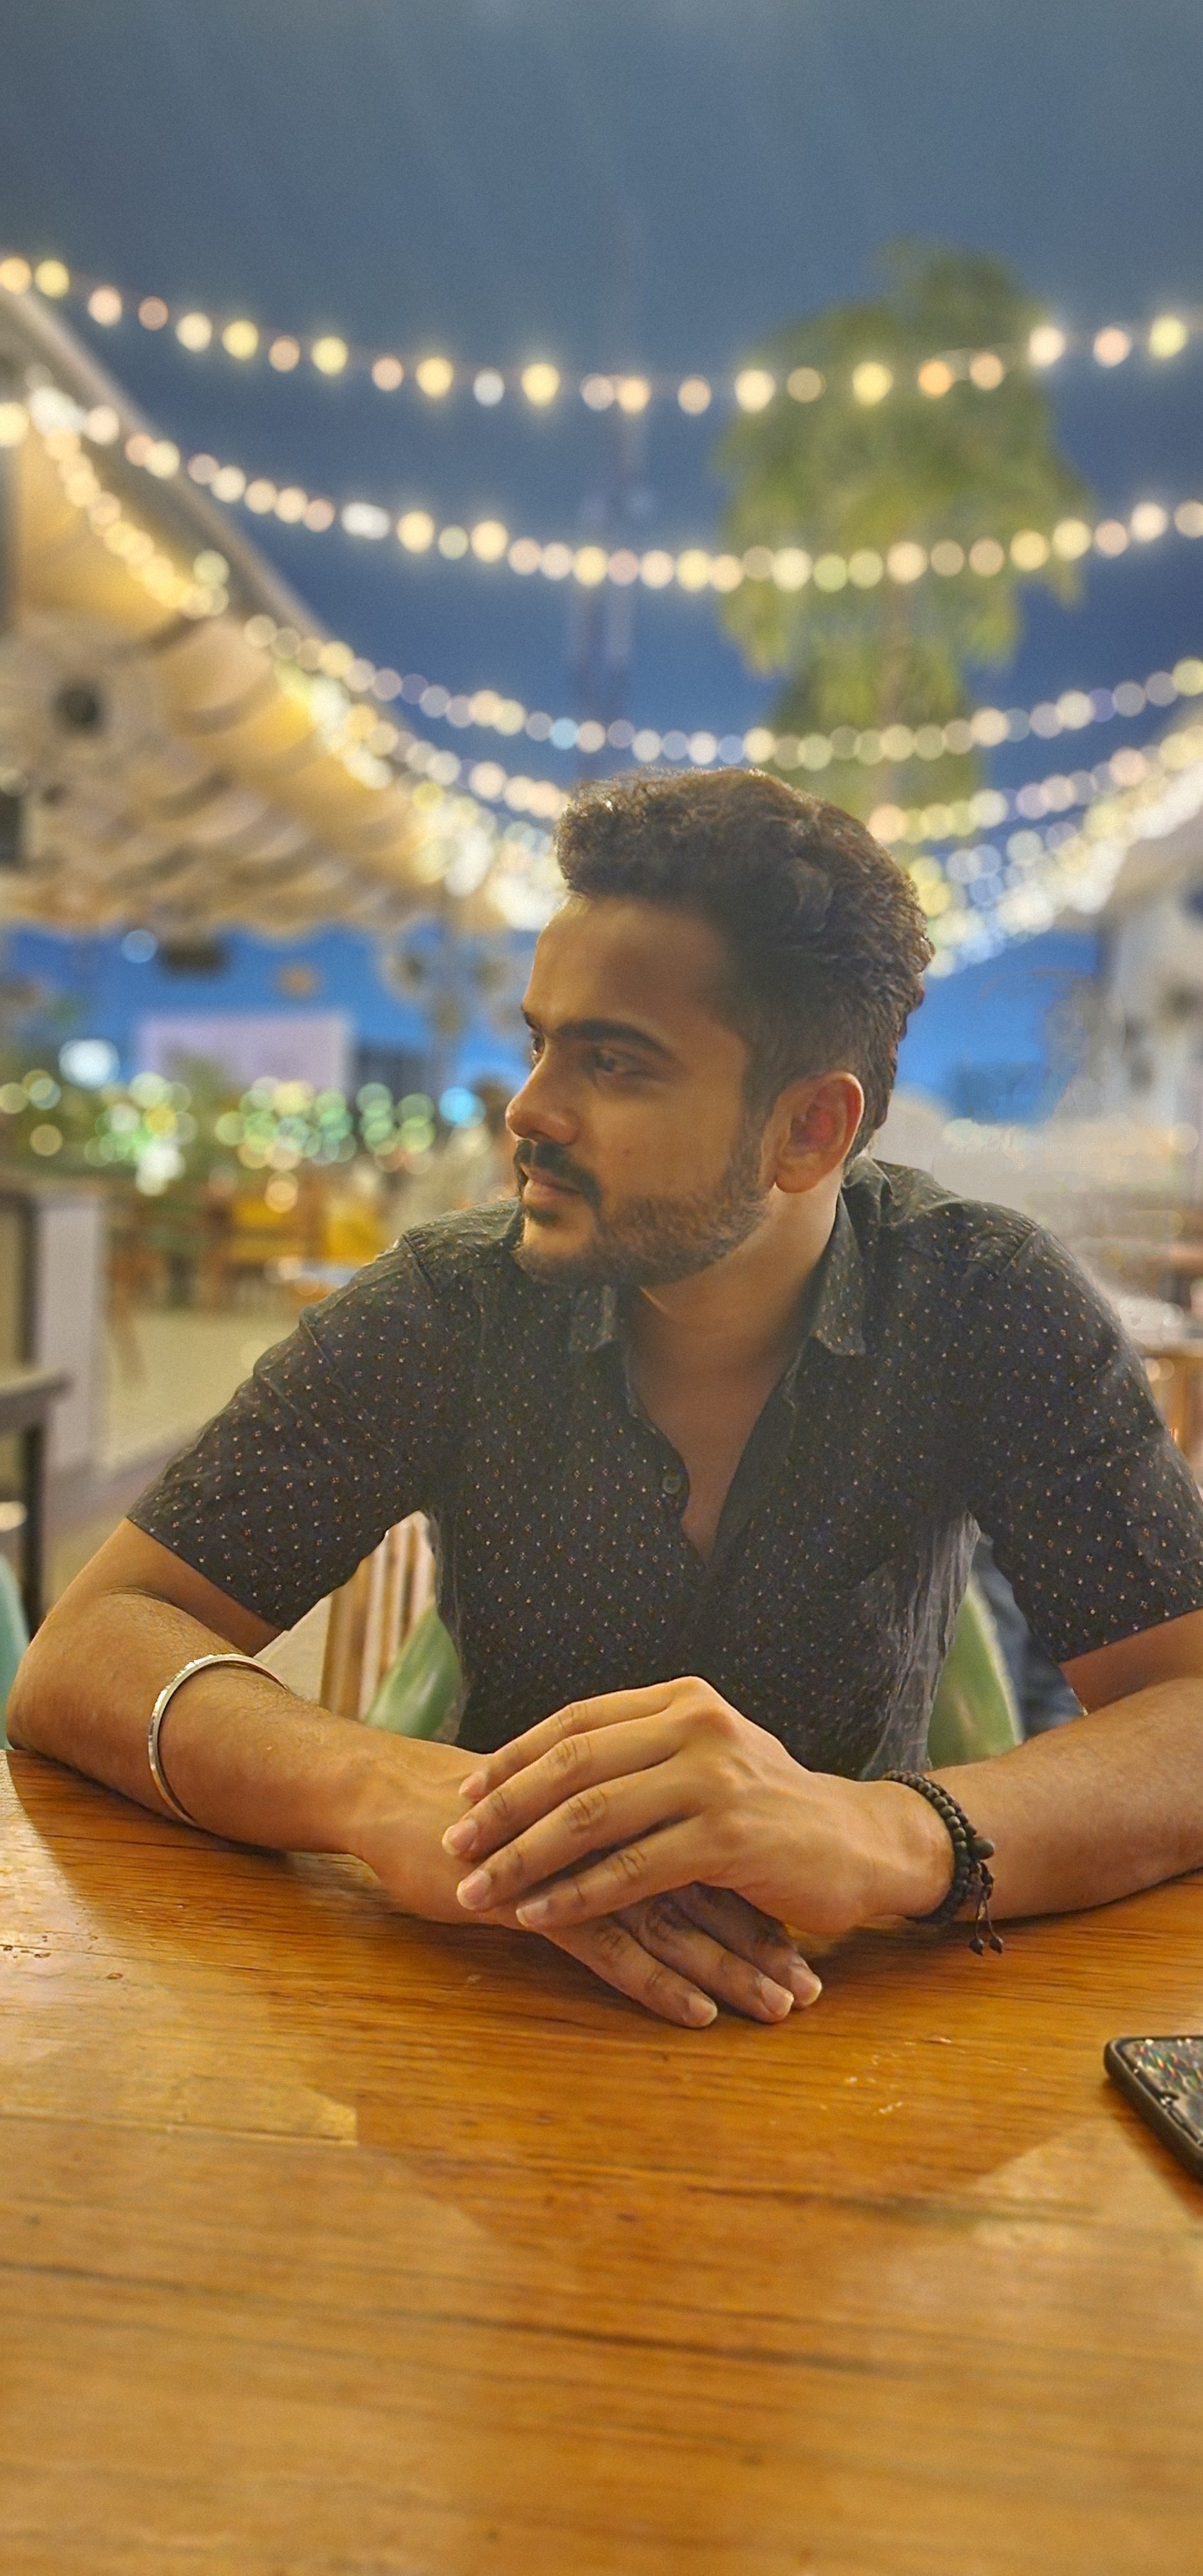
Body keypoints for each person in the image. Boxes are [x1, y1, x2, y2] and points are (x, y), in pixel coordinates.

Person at [12, 771, 1203, 2031]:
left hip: (842, 2012)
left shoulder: (980, 1300)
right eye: (539, 1042)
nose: (528, 1108)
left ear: (808, 1128)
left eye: (615, 1062)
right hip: (481, 1987)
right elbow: (85, 1650)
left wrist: (886, 1834)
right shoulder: (452, 1305)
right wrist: (376, 1786)